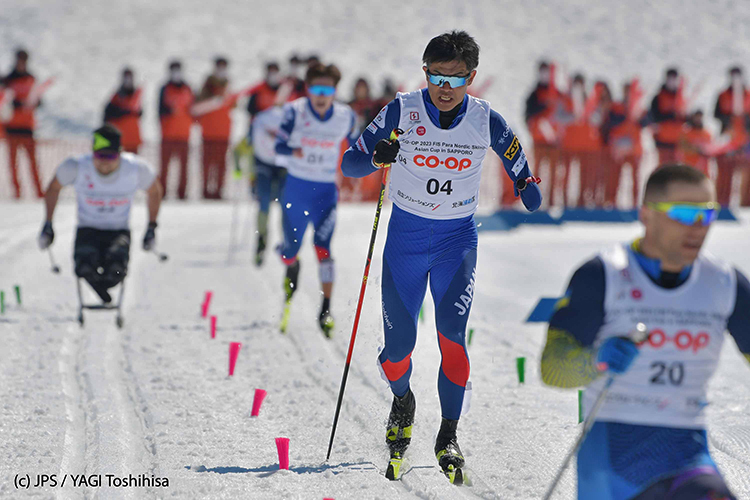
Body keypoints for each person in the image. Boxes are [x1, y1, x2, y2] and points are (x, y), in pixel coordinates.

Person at [341, 30, 542, 481]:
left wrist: (527, 186)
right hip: (406, 242)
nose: (445, 88)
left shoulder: (486, 119)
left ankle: (448, 433)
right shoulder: (402, 109)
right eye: (436, 77)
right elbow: (350, 164)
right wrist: (378, 157)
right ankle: (402, 400)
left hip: (456, 242)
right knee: (398, 351)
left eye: (455, 79)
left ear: (471, 77)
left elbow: (518, 164)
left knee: (452, 336)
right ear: (424, 72)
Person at [540, 164, 749, 500]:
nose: (697, 227)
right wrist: (596, 361)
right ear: (647, 215)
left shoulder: (725, 283)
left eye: (706, 215)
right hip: (612, 457)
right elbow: (552, 368)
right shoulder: (602, 274)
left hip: (687, 456)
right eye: (683, 213)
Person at [275, 62, 359, 337]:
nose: (322, 95)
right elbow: (278, 145)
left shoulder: (345, 116)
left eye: (328, 89)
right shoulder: (295, 111)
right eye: (316, 89)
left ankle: (325, 309)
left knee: (323, 249)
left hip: (324, 192)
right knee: (290, 253)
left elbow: (358, 145)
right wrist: (293, 149)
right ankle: (291, 270)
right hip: (296, 191)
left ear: (335, 91)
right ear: (308, 89)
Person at [38, 124, 163, 304]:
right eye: (99, 155)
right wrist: (48, 223)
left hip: (118, 232)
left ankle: (103, 289)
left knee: (117, 271)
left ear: (119, 153)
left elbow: (155, 191)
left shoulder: (135, 168)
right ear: (92, 153)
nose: (104, 162)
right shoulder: (77, 166)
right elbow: (53, 188)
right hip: (87, 230)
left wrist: (151, 227)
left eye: (110, 156)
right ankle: (100, 289)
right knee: (84, 267)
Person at [249, 86, 290, 266]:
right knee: (265, 201)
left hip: (281, 164)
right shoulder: (261, 118)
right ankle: (262, 240)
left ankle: (285, 242)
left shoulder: (288, 116)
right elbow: (248, 142)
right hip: (264, 163)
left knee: (282, 203)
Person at [2, 49, 44, 198]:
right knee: (13, 166)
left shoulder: (31, 79)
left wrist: (34, 102)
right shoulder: (7, 80)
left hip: (27, 128)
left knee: (33, 164)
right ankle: (17, 194)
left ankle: (39, 194)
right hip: (11, 128)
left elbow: (39, 100)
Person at [195, 56, 236, 199]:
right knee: (206, 165)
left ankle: (219, 191)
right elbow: (196, 107)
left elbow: (234, 105)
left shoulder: (228, 87)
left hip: (224, 133)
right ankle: (205, 191)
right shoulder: (206, 87)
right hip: (208, 132)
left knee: (221, 166)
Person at [560, 74, 603, 207]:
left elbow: (598, 118)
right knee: (566, 176)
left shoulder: (590, 100)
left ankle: (583, 201)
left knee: (586, 176)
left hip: (586, 146)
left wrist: (588, 116)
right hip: (569, 145)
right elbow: (558, 116)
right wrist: (572, 117)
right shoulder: (566, 99)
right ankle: (564, 201)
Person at [525, 61, 562, 206]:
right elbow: (528, 114)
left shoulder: (557, 93)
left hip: (553, 142)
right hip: (539, 140)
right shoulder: (534, 94)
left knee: (554, 174)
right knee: (537, 173)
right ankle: (535, 201)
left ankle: (551, 202)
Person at [602, 81, 644, 207]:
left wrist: (637, 117)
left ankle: (635, 204)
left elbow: (646, 121)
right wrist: (626, 115)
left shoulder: (639, 108)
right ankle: (611, 202)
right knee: (615, 177)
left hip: (634, 150)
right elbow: (611, 120)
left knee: (635, 179)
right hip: (619, 149)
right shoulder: (617, 106)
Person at [713, 66, 750, 206]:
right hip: (728, 138)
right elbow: (716, 114)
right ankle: (722, 203)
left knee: (747, 173)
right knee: (725, 173)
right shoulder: (723, 95)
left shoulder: (748, 94)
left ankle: (746, 205)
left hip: (746, 140)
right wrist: (727, 119)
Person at [158, 60, 194, 199]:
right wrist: (169, 110)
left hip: (184, 134)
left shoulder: (188, 88)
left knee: (184, 167)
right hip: (168, 134)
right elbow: (159, 111)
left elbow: (193, 109)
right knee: (165, 166)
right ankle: (162, 192)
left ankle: (182, 193)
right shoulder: (164, 88)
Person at [649, 68, 685, 166]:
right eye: (670, 77)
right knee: (664, 168)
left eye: (674, 77)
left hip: (678, 141)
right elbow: (653, 118)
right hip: (662, 140)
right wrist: (669, 116)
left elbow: (684, 118)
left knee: (676, 169)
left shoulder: (681, 98)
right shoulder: (658, 98)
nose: (672, 80)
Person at [104, 68, 143, 154]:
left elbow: (140, 114)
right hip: (120, 141)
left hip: (133, 139)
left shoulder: (136, 96)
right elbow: (108, 114)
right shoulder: (117, 96)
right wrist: (124, 112)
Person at [678, 110, 712, 176]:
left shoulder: (706, 134)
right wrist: (696, 149)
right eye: (697, 117)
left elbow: (710, 148)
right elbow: (682, 147)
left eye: (700, 117)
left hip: (703, 169)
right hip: (689, 166)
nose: (698, 119)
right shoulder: (686, 133)